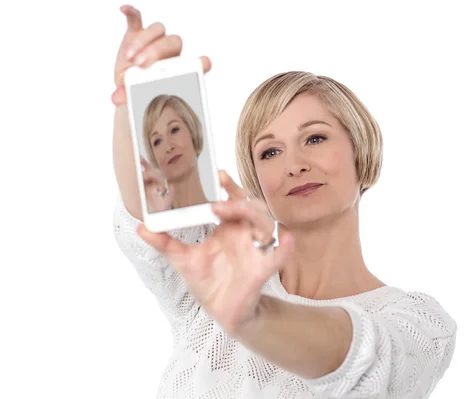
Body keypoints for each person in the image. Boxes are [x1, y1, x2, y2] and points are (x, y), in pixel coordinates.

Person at [111, 5, 457, 399]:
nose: (294, 165)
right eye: (270, 153)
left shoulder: (419, 323)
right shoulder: (214, 273)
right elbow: (151, 208)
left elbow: (356, 357)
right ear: (256, 179)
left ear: (360, 152)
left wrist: (251, 315)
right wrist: (131, 101)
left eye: (315, 138)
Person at [140, 94, 208, 213]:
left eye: (174, 130)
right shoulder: (152, 219)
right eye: (157, 141)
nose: (168, 147)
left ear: (192, 132)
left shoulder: (223, 216)